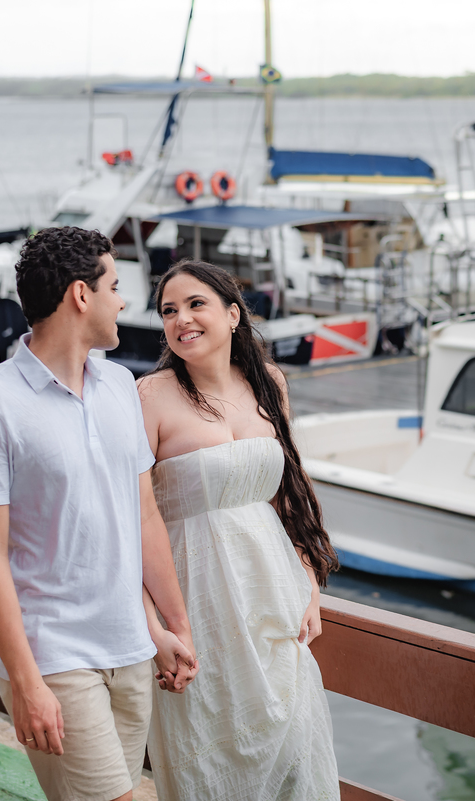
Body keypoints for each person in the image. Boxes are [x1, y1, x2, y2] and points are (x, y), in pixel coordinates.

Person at [0, 227, 199, 801]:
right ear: (81, 296)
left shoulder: (118, 384)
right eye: (114, 286)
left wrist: (169, 627)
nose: (123, 301)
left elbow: (142, 518)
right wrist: (27, 683)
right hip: (55, 656)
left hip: (133, 652)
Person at [137, 260, 340, 799]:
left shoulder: (270, 383)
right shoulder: (150, 395)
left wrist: (308, 582)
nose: (181, 319)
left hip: (274, 596)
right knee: (207, 756)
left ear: (232, 314)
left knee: (294, 743)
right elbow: (129, 519)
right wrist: (153, 625)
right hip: (194, 603)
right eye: (169, 310)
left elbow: (289, 491)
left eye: (195, 304)